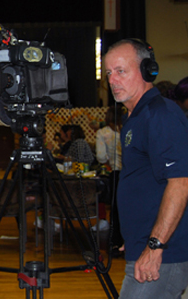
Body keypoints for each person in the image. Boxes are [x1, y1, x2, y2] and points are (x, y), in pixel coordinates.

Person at [103, 38, 188, 298]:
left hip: (163, 254)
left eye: (121, 71)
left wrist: (155, 245)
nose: (113, 80)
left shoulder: (160, 115)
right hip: (146, 247)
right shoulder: (136, 117)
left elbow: (180, 183)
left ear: (146, 71)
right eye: (109, 73)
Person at [93, 106, 124, 234]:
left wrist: (108, 164)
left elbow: (100, 156)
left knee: (115, 204)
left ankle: (115, 234)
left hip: (114, 171)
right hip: (130, 171)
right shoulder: (126, 130)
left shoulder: (103, 133)